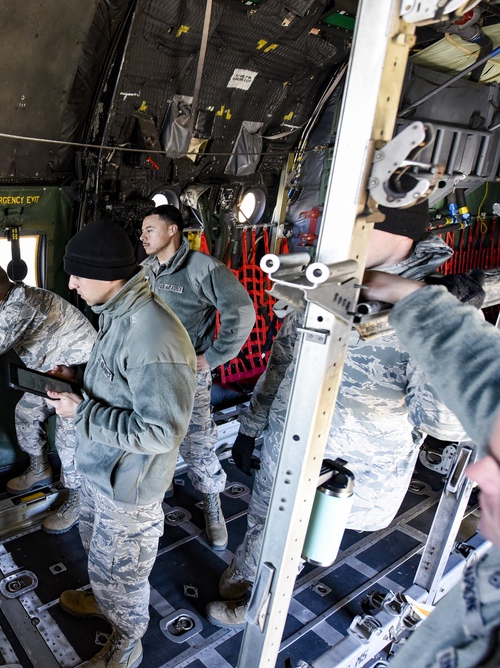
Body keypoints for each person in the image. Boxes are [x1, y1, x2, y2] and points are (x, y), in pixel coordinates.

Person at [208, 202, 468, 627]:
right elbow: (283, 357)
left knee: (301, 540)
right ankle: (249, 569)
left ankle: (259, 609)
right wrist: (252, 426)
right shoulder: (334, 281)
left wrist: (438, 320)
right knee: (266, 516)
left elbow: (445, 424)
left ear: (395, 231)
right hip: (286, 445)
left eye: (358, 223)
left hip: (346, 469)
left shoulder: (434, 307)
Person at [45, 220, 197, 668]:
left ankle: (127, 643)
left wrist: (82, 412)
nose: (70, 284)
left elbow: (163, 431)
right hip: (101, 469)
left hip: (127, 487)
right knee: (99, 554)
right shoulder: (118, 315)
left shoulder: (155, 338)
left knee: (122, 575)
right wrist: (77, 378)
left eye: (77, 274)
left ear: (107, 275)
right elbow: (120, 386)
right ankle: (104, 598)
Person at [360, 269, 499, 668]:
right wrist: (418, 300)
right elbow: (487, 380)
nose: (478, 475)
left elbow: (441, 420)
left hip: (371, 473)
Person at [139, 204, 255, 550]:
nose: (142, 237)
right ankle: (157, 498)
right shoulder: (146, 269)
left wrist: (215, 356)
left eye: (149, 230)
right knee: (153, 439)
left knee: (198, 443)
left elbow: (242, 311)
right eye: (142, 231)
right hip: (149, 372)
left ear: (172, 230)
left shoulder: (201, 268)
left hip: (188, 375)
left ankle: (214, 505)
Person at [0, 262, 96, 534]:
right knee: (26, 413)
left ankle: (78, 499)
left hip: (81, 375)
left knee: (69, 442)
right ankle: (39, 469)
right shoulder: (8, 299)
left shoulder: (21, 306)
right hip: (54, 370)